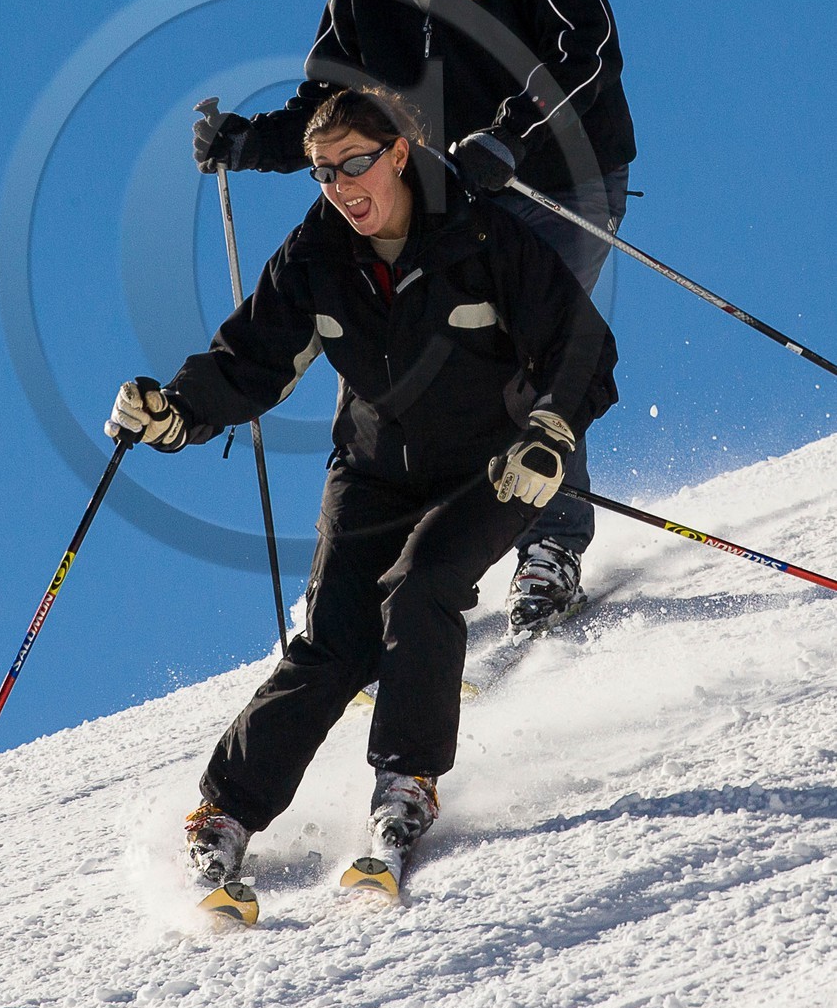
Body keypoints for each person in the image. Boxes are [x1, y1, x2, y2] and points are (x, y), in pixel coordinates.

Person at [116, 88, 617, 888]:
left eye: (355, 164)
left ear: (398, 154)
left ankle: (405, 784)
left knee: (422, 588)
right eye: (322, 173)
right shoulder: (315, 256)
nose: (342, 187)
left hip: (490, 469)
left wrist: (550, 432)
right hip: (374, 468)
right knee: (333, 641)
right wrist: (176, 413)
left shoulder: (479, 230)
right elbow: (251, 359)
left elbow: (580, 346)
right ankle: (224, 812)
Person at [192, 0, 636, 632]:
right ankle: (355, 581)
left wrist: (511, 137)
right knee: (377, 359)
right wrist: (252, 143)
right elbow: (331, 110)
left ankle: (550, 542)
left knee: (517, 342)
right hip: (446, 198)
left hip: (558, 179)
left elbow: (591, 56)